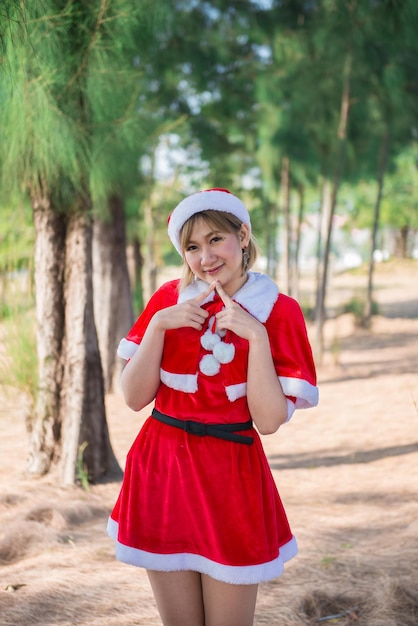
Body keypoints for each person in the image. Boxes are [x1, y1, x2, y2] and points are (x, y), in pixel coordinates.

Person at [107, 188, 318, 626]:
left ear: (242, 235)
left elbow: (270, 420)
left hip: (231, 475)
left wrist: (255, 336)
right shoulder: (169, 299)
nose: (205, 258)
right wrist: (160, 327)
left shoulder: (279, 311)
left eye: (215, 239)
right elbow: (133, 397)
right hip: (162, 468)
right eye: (192, 247)